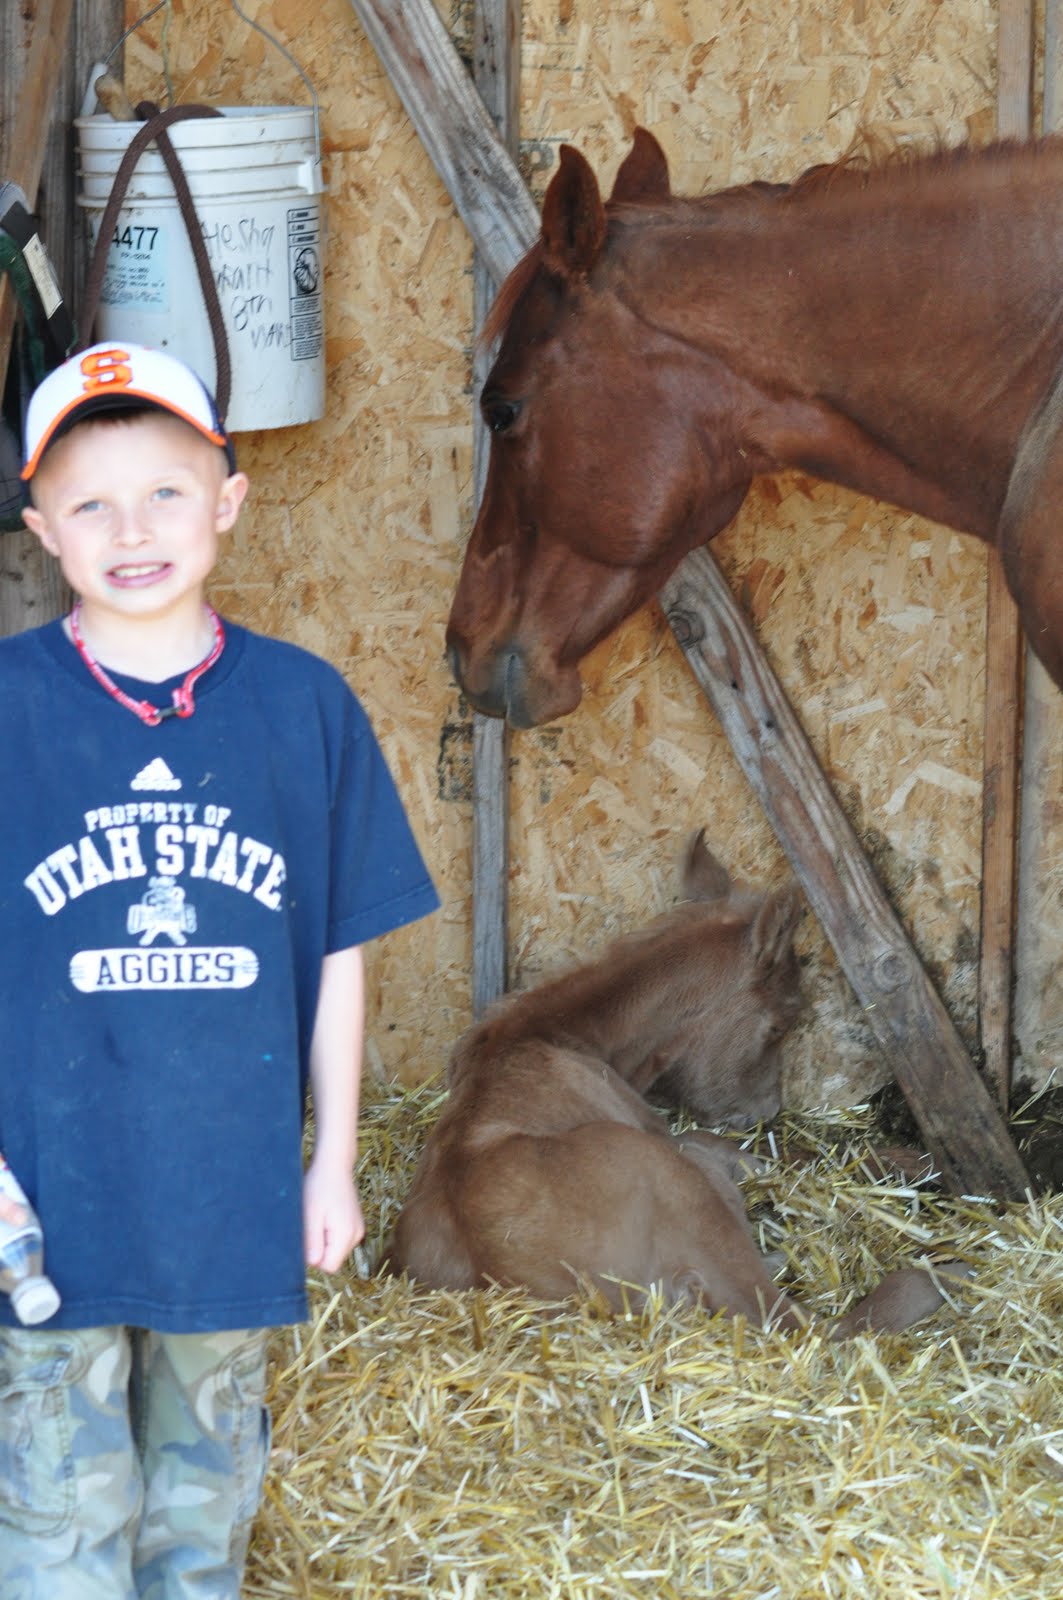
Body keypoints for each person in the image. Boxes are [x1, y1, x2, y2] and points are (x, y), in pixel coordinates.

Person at [0, 342, 440, 1598]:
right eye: (89, 502)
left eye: (166, 493)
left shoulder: (303, 708)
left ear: (230, 501)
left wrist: (334, 1162)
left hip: (226, 1194)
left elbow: (339, 950)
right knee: (59, 1517)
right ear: (41, 529)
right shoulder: (9, 709)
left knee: (200, 1516)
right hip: (46, 1201)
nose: (131, 530)